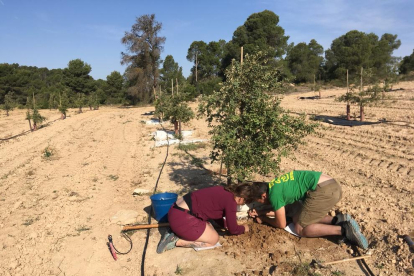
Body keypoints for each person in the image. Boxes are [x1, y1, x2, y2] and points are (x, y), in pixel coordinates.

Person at [247, 170, 368, 249]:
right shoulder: (275, 185)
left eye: (260, 202)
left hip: (323, 191)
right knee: (297, 216)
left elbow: (281, 223)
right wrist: (261, 211)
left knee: (300, 228)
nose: (263, 203)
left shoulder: (274, 195)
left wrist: (263, 219)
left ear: (263, 196)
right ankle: (338, 219)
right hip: (331, 186)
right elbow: (284, 210)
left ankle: (344, 230)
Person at [156, 184, 250, 253]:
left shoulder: (223, 189)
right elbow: (233, 230)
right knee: (213, 239)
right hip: (182, 218)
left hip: (175, 212)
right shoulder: (231, 201)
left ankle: (175, 231)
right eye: (243, 203)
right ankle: (176, 241)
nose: (241, 205)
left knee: (210, 226)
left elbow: (214, 213)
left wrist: (225, 225)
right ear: (242, 199)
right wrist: (243, 228)